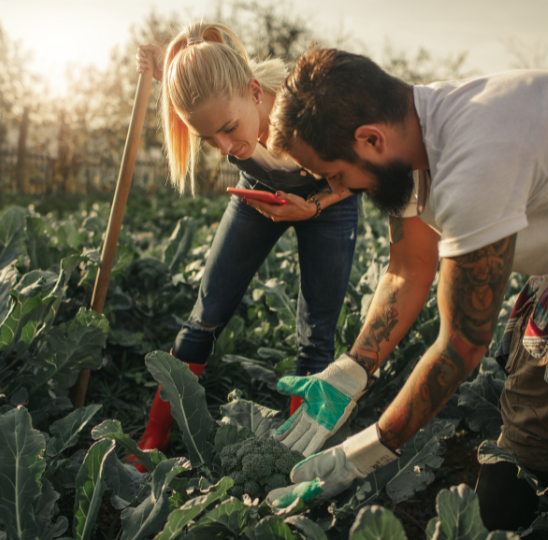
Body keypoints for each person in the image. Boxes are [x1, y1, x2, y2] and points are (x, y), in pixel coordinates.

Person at [265, 47, 548, 538]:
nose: (338, 189)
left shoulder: (476, 155)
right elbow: (409, 269)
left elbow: (463, 344)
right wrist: (352, 371)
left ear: (370, 139)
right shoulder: (414, 135)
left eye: (335, 174)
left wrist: (367, 450)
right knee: (524, 426)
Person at [131, 26, 359, 468]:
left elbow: (359, 171)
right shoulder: (220, 99)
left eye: (229, 130)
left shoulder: (316, 110)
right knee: (205, 316)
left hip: (330, 202)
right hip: (259, 191)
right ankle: (152, 437)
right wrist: (164, 65)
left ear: (255, 92)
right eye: (208, 139)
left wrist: (312, 207)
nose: (224, 148)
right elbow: (196, 75)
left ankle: (297, 455)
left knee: (317, 336)